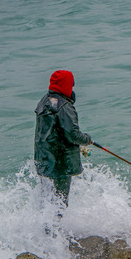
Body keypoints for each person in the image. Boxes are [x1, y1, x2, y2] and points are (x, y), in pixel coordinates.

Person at [34, 70, 91, 207]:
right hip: (60, 162)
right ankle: (55, 229)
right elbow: (73, 135)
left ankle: (46, 227)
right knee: (60, 201)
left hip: (44, 159)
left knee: (47, 199)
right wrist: (87, 139)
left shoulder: (44, 101)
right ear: (66, 85)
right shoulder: (64, 106)